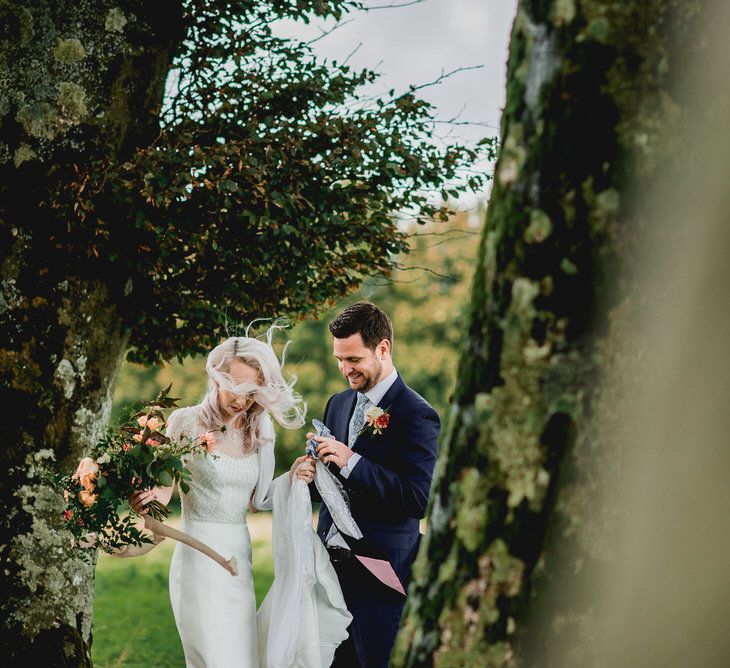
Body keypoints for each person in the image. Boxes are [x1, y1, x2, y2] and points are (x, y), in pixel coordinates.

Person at [129, 329, 332, 667]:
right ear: (216, 377)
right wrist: (148, 500)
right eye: (235, 388)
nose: (242, 399)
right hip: (197, 558)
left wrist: (293, 476)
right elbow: (164, 491)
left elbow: (260, 500)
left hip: (239, 561)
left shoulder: (262, 430)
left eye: (251, 391)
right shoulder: (184, 421)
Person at [307, 301, 440, 667]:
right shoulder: (338, 403)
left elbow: (418, 499)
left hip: (381, 576)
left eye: (353, 359)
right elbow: (334, 488)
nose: (344, 369)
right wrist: (309, 475)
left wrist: (353, 462)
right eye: (339, 359)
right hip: (329, 573)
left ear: (383, 348)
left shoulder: (418, 414)